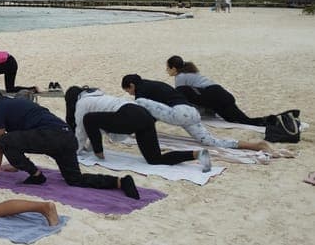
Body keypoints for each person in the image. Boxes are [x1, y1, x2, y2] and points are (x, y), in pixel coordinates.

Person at [0, 88, 140, 199]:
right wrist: (16, 164)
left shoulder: (0, 109)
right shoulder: (14, 105)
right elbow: (21, 138)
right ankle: (120, 182)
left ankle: (36, 175)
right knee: (75, 179)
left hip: (50, 136)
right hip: (66, 137)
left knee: (3, 140)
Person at [64, 86, 211, 169]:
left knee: (88, 119)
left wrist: (74, 152)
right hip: (143, 116)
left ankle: (99, 152)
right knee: (154, 159)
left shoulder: (82, 103)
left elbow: (81, 131)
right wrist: (89, 146)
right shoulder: (98, 96)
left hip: (130, 115)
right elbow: (101, 126)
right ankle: (197, 154)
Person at [120, 74, 270, 152]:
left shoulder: (141, 92)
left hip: (178, 113)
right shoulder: (153, 84)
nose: (130, 93)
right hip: (191, 113)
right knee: (211, 142)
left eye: (128, 90)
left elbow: (145, 112)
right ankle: (255, 145)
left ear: (132, 85)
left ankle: (121, 131)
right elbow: (155, 113)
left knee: (138, 105)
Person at [165, 55, 298, 126]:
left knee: (181, 92)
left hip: (216, 96)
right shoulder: (190, 71)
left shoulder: (180, 77)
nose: (167, 71)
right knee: (241, 120)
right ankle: (272, 120)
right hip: (222, 94)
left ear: (174, 68)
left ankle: (276, 120)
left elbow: (181, 98)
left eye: (168, 68)